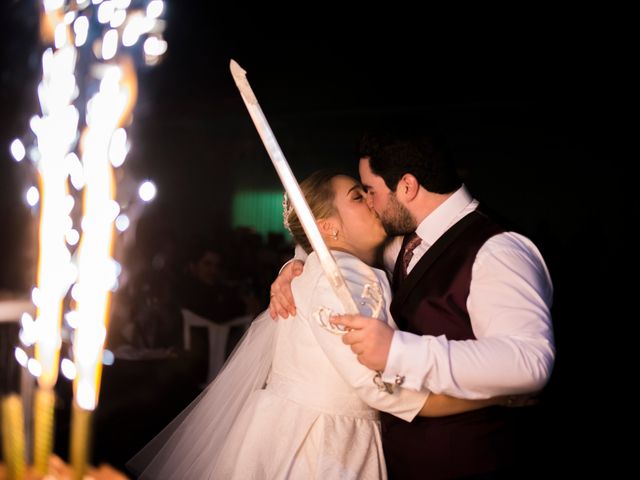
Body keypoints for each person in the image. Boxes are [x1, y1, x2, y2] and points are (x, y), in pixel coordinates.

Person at [128, 170, 508, 479]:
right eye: (359, 197)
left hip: (289, 432)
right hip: (323, 448)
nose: (373, 202)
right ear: (328, 227)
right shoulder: (342, 279)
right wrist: (495, 395)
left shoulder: (325, 269)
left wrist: (291, 265)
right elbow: (383, 389)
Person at [269, 135, 555, 478]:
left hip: (472, 462)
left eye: (369, 191)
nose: (370, 204)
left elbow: (530, 361)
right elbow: (329, 242)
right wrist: (295, 263)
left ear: (406, 186)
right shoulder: (400, 242)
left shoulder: (497, 249)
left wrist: (398, 351)